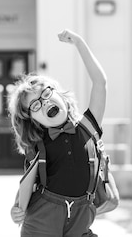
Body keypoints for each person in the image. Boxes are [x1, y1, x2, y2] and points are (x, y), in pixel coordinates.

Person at [8, 29, 107, 237]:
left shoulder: (88, 125)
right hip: (44, 215)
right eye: (35, 106)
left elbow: (100, 83)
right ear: (32, 120)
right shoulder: (38, 143)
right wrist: (16, 209)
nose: (43, 103)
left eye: (46, 94)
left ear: (59, 94)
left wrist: (80, 43)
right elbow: (28, 180)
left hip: (81, 212)